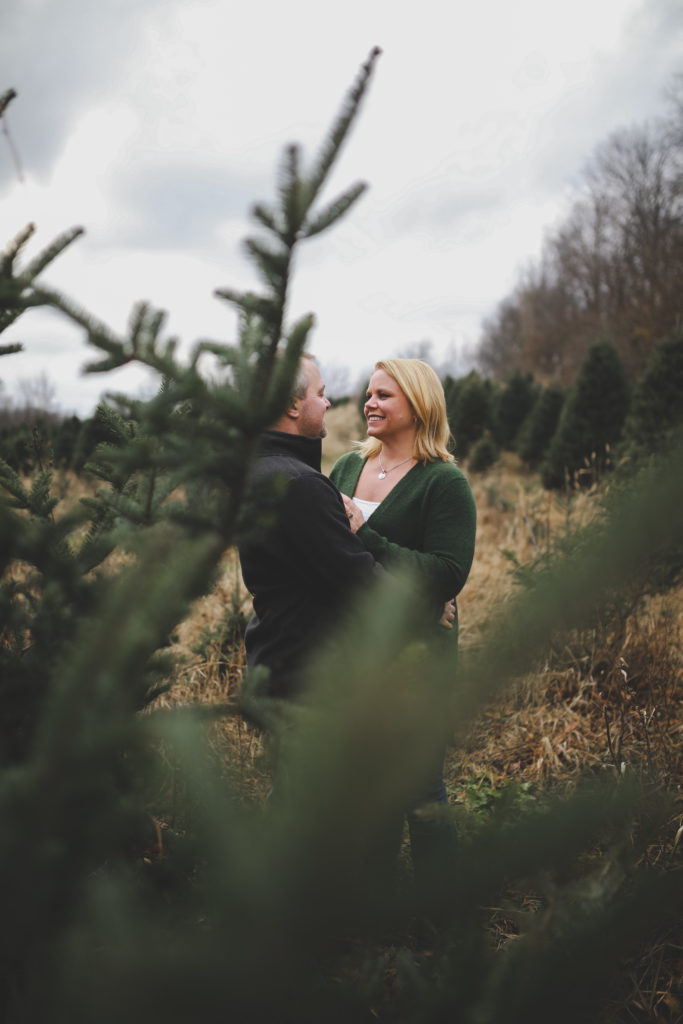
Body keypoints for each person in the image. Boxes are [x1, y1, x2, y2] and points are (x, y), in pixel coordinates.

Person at [329, 357, 477, 894]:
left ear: (418, 405)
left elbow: (446, 574)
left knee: (419, 785)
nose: (369, 403)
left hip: (416, 661)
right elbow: (327, 551)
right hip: (353, 651)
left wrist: (366, 534)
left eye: (384, 395)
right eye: (368, 394)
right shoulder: (347, 468)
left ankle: (443, 912)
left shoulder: (444, 483)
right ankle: (374, 902)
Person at [237, 353, 382, 702]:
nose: (328, 401)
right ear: (292, 405)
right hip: (308, 683)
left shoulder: (261, 471)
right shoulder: (299, 483)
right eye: (320, 392)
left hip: (277, 667)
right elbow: (358, 579)